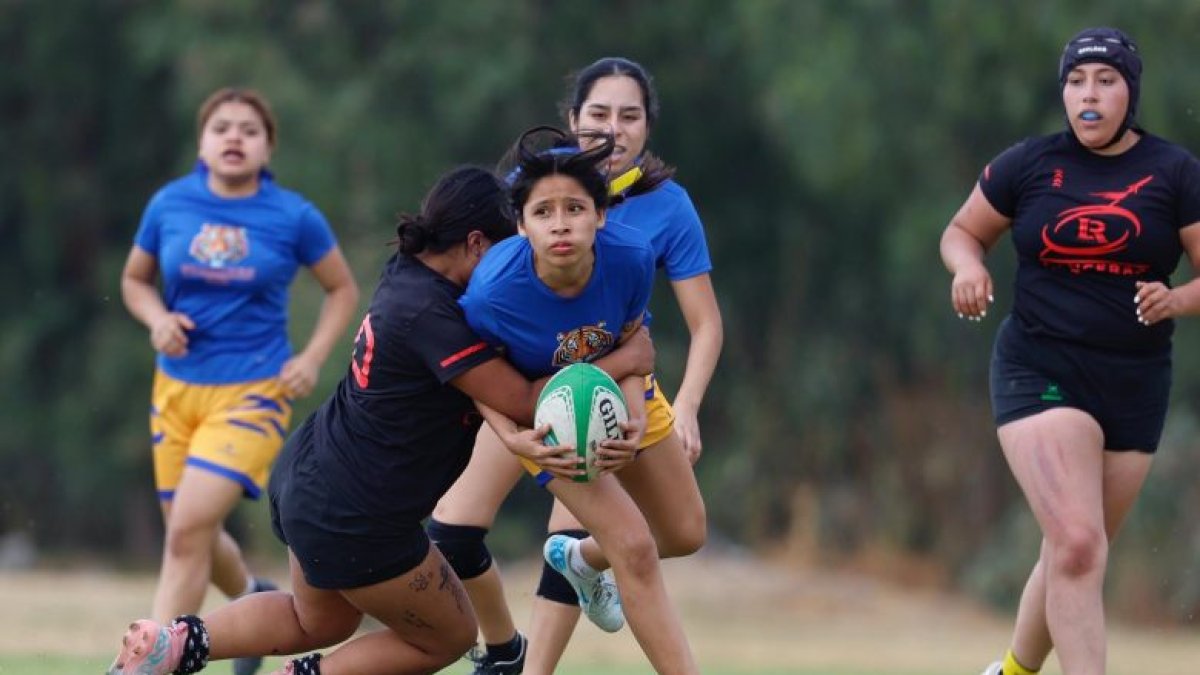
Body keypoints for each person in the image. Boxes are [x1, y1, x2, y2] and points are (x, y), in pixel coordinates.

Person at [108, 164, 653, 675]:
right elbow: (525, 398)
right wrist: (629, 357)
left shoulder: (409, 276)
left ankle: (173, 643)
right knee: (450, 635)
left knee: (316, 619)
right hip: (360, 512)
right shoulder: (433, 315)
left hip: (311, 476)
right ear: (476, 244)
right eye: (510, 250)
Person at [430, 57, 721, 675]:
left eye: (628, 115)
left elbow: (645, 338)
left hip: (619, 385)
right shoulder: (497, 271)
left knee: (686, 533)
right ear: (521, 221)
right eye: (598, 114)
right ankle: (515, 657)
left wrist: (645, 405)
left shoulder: (638, 248)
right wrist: (509, 430)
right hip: (532, 401)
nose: (560, 222)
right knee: (631, 545)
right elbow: (464, 354)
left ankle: (584, 560)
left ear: (603, 215)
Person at [939, 27, 1200, 675]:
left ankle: (1010, 670)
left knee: (1074, 551)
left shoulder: (1175, 172)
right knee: (1079, 542)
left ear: (1130, 93)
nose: (1089, 95)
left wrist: (1176, 301)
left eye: (1106, 81)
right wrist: (966, 268)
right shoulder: (1029, 163)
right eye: (1076, 81)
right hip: (1040, 367)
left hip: (1135, 381)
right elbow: (961, 231)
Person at [119, 87, 360, 675]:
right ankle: (251, 599)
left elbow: (343, 289)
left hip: (253, 394)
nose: (234, 137)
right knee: (191, 531)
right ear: (202, 141)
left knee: (185, 534)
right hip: (174, 392)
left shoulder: (293, 215)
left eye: (249, 130)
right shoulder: (169, 204)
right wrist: (157, 320)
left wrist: (311, 356)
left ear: (268, 146)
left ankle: (156, 660)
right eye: (221, 127)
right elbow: (134, 281)